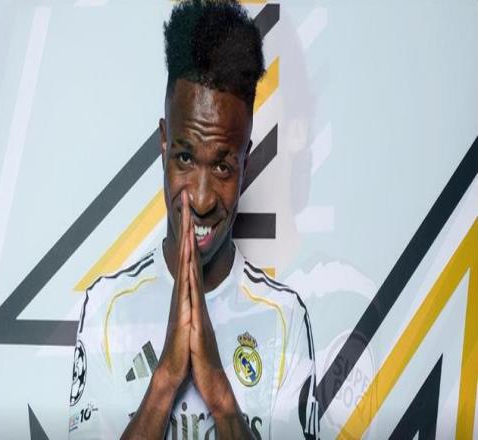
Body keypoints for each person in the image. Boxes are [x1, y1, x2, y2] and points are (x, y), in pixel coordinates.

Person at [68, 1, 319, 438]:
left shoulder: (285, 320)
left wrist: (219, 392)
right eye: (185, 158)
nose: (201, 200)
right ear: (164, 143)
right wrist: (166, 376)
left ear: (246, 163)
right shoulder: (108, 310)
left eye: (222, 166)